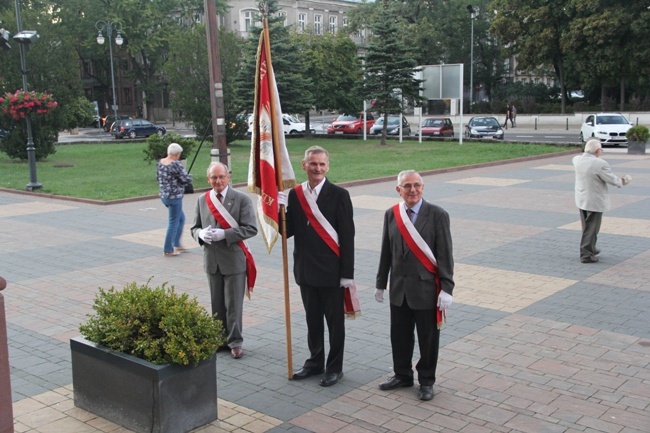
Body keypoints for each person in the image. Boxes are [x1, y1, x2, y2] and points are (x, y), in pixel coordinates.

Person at [374, 170, 455, 401]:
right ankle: (402, 375)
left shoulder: (438, 214)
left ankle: (427, 380)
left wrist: (447, 288)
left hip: (426, 291)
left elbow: (445, 255)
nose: (413, 190)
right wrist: (381, 283)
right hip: (399, 289)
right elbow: (386, 251)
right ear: (398, 189)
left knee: (428, 339)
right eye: (407, 186)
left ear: (423, 187)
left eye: (417, 185)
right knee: (399, 336)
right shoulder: (392, 214)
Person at [279, 146, 355, 387]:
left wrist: (347, 275)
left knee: (335, 324)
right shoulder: (295, 194)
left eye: (322, 164)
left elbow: (347, 237)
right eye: (313, 164)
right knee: (313, 321)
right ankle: (314, 363)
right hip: (306, 271)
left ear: (328, 166)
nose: (318, 168)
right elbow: (287, 231)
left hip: (332, 274)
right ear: (304, 165)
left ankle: (334, 368)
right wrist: (276, 210)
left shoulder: (339, 195)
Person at [190, 162, 258, 359]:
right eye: (213, 177)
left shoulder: (242, 199)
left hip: (234, 260)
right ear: (208, 179)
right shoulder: (202, 200)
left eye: (221, 177)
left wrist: (224, 234)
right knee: (216, 303)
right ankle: (218, 339)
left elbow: (250, 228)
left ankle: (235, 341)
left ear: (229, 177)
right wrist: (200, 234)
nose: (217, 181)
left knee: (233, 304)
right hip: (212, 260)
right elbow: (194, 227)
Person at [573, 139, 631, 263]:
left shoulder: (577, 160)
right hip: (594, 200)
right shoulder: (599, 163)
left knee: (587, 226)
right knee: (592, 227)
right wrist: (624, 180)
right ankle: (586, 254)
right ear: (598, 150)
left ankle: (591, 248)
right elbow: (612, 179)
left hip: (581, 198)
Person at [157, 143, 191, 256]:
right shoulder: (175, 164)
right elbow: (185, 179)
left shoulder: (161, 162)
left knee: (181, 219)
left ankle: (177, 243)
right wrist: (189, 178)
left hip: (164, 196)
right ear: (176, 154)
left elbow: (158, 177)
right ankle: (168, 249)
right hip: (174, 197)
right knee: (173, 222)